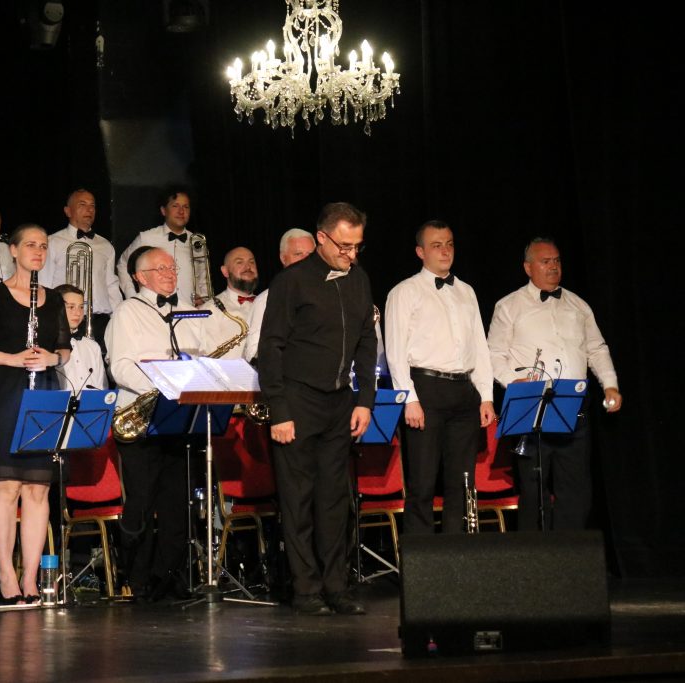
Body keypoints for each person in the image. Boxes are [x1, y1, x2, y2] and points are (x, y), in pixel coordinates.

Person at [258, 202, 376, 616]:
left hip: (340, 401)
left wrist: (365, 400)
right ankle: (306, 590)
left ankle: (336, 586)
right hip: (298, 400)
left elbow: (366, 341)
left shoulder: (359, 279)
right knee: (298, 499)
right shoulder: (291, 282)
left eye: (357, 246)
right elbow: (270, 347)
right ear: (322, 238)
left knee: (334, 500)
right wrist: (280, 409)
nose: (351, 255)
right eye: (344, 246)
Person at [0, 224, 71, 604]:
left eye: (43, 246)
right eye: (31, 245)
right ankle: (7, 575)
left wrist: (53, 358)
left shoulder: (53, 299)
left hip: (43, 395)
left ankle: (31, 578)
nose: (38, 251)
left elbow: (64, 349)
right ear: (13, 250)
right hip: (4, 395)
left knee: (38, 490)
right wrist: (11, 359)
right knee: (6, 489)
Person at [486, 237, 622, 530]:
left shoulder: (578, 305)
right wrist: (514, 382)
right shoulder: (509, 306)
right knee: (533, 491)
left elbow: (596, 348)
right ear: (527, 267)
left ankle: (568, 561)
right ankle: (533, 563)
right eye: (545, 261)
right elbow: (493, 355)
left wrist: (610, 384)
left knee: (576, 492)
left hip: (573, 406)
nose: (553, 266)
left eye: (557, 260)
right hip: (532, 406)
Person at [105, 246, 205, 600]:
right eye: (160, 268)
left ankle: (172, 574)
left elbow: (197, 357)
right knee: (142, 500)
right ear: (139, 276)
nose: (169, 273)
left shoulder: (188, 313)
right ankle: (137, 577)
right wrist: (161, 386)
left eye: (171, 267)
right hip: (142, 418)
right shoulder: (127, 312)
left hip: (178, 418)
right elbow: (120, 366)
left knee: (178, 501)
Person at [384, 220, 496, 536]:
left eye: (449, 243)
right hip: (426, 389)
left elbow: (480, 346)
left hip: (464, 391)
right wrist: (410, 399)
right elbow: (395, 351)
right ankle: (423, 568)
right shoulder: (404, 292)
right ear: (420, 252)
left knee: (462, 483)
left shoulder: (467, 291)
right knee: (421, 482)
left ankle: (456, 561)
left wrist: (485, 395)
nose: (445, 250)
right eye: (436, 245)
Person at [40, 189, 123, 352]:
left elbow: (111, 285)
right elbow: (45, 284)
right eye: (82, 205)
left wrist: (119, 318)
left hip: (100, 322)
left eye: (92, 206)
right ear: (68, 211)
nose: (89, 210)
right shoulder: (53, 242)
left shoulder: (105, 245)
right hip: (66, 320)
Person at [116, 187, 199, 305]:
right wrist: (133, 296)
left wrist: (204, 299)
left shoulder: (197, 242)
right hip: (153, 311)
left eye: (186, 207)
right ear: (163, 211)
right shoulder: (146, 238)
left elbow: (202, 277)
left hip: (188, 312)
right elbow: (122, 265)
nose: (181, 211)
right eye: (175, 206)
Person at [244, 229, 316, 363]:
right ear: (283, 258)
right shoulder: (266, 300)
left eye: (311, 254)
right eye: (298, 254)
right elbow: (253, 353)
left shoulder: (328, 294)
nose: (306, 260)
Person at [198, 246, 258, 359]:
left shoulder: (267, 303)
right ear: (225, 271)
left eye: (252, 262)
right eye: (239, 262)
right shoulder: (210, 310)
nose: (248, 267)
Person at [52, 284, 107, 392]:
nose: (78, 313)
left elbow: (102, 387)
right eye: (71, 307)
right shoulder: (46, 343)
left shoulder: (93, 346)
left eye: (81, 307)